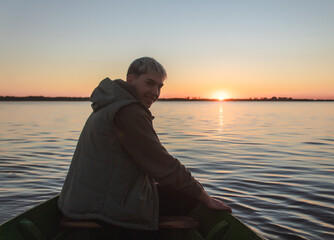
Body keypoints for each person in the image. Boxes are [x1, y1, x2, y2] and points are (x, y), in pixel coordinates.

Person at [58, 57, 231, 233]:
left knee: (174, 188)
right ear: (130, 79)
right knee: (190, 196)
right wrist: (205, 197)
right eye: (149, 83)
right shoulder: (128, 112)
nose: (155, 92)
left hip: (80, 201)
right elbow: (163, 164)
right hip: (101, 209)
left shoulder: (108, 105)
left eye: (159, 86)